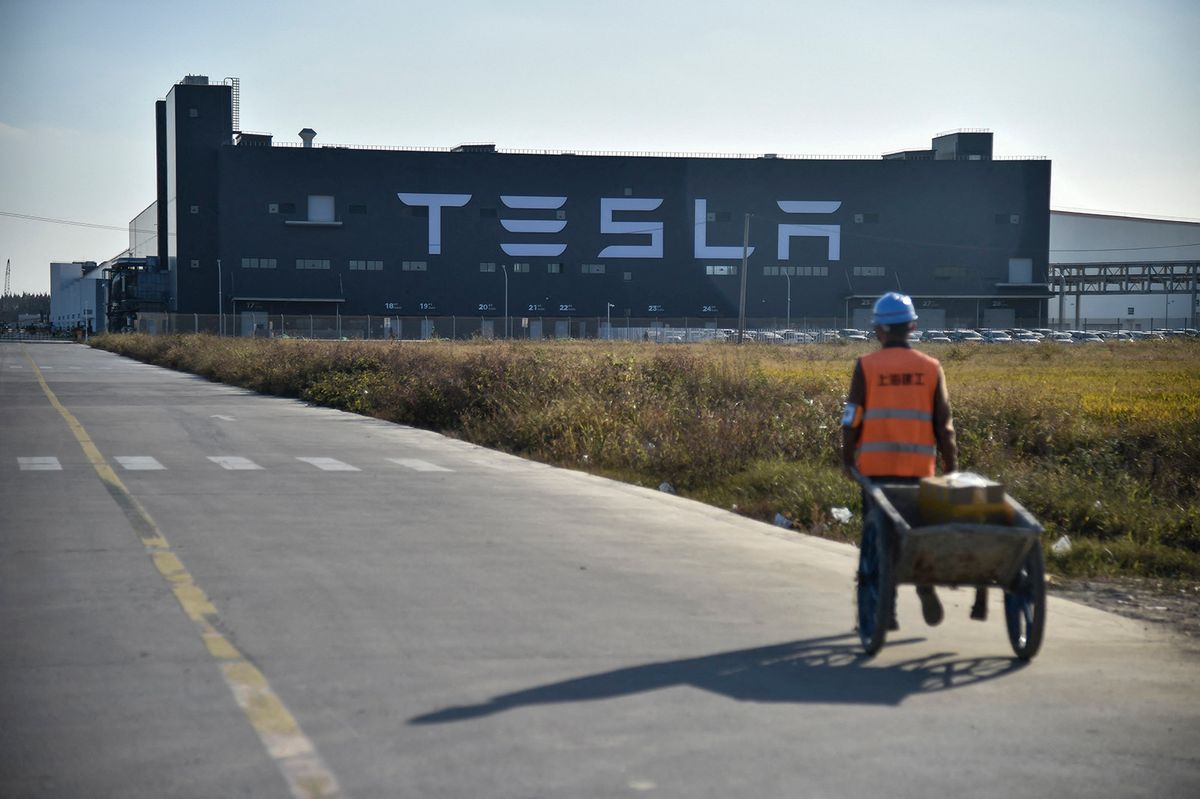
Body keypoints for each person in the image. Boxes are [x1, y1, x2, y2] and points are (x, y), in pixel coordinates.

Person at [841, 292, 987, 627]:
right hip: (920, 473)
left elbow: (852, 417)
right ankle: (923, 582)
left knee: (876, 541)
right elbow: (944, 427)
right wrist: (951, 470)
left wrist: (848, 457)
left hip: (876, 474)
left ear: (878, 329)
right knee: (919, 534)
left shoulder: (866, 367)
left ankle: (884, 613)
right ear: (913, 326)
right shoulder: (931, 368)